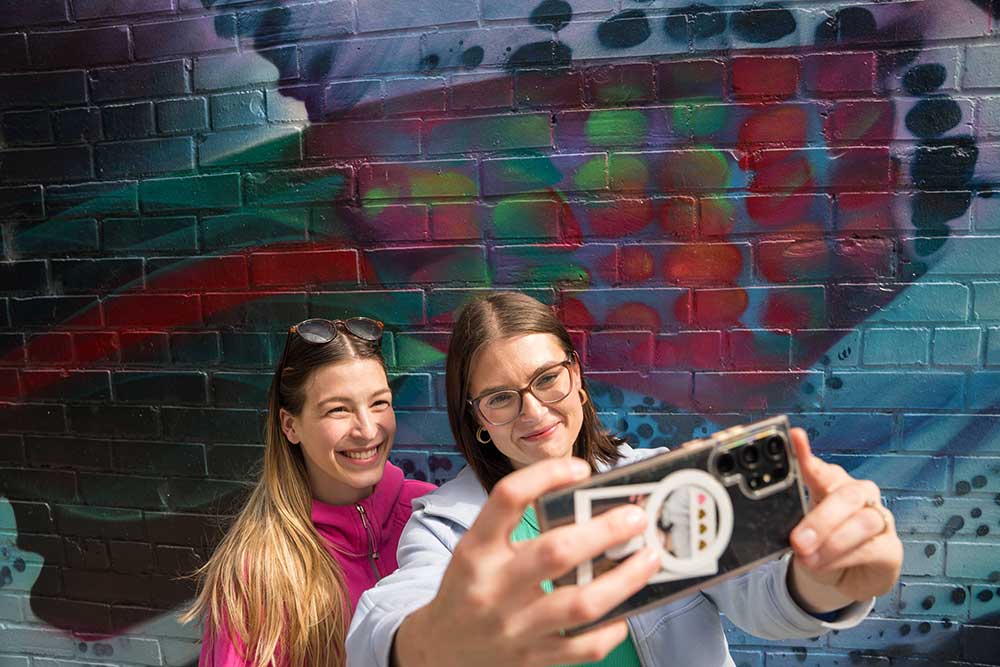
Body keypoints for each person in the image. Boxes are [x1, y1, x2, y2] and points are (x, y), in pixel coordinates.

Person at [347, 292, 903, 667]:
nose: (534, 412)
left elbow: (761, 594)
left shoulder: (657, 483)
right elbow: (383, 623)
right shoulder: (445, 530)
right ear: (478, 422)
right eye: (500, 398)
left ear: (578, 380)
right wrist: (432, 644)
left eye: (548, 379)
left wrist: (824, 580)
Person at [182, 317, 435, 667]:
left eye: (379, 403)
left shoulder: (431, 514)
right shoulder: (261, 570)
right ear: (291, 426)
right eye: (338, 410)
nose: (367, 429)